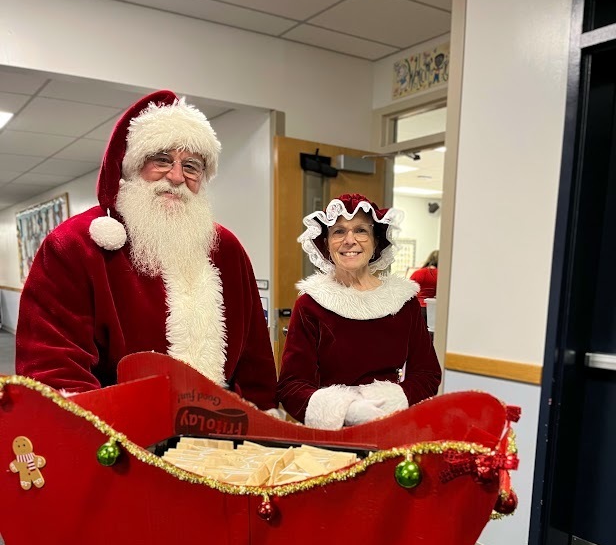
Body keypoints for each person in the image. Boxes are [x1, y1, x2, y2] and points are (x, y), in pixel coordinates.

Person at [15, 90, 278, 411]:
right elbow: (54, 368)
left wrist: (259, 434)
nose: (177, 177)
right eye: (162, 160)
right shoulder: (75, 244)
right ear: (133, 165)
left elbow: (256, 363)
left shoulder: (226, 249)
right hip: (118, 439)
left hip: (219, 442)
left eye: (192, 166)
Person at [276, 194, 441, 429]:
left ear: (376, 241)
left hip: (391, 426)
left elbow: (427, 374)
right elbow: (291, 386)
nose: (349, 240)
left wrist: (389, 403)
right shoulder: (311, 304)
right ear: (326, 243)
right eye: (339, 231)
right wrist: (346, 410)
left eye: (361, 230)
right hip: (331, 436)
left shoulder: (404, 302)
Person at [410, 250, 438, 323]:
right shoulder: (441, 274)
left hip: (417, 307)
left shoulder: (417, 273)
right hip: (433, 309)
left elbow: (409, 291)